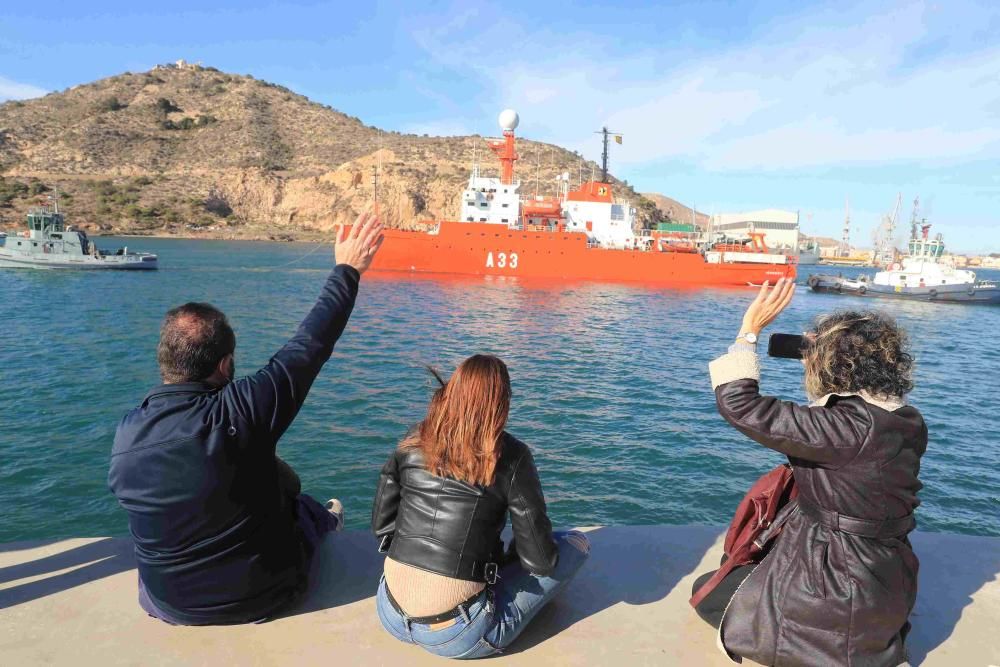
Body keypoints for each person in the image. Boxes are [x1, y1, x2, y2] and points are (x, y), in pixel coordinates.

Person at [108, 210, 384, 625]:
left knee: (261, 475)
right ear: (225, 364)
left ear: (165, 361)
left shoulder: (128, 432)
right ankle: (327, 520)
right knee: (300, 505)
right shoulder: (239, 412)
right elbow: (309, 345)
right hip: (263, 596)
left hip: (168, 606)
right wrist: (347, 269)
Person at [693, 278, 926, 666]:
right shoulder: (904, 419)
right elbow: (843, 432)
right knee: (722, 585)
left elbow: (740, 404)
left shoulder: (843, 429)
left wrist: (748, 331)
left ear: (835, 369)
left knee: (712, 598)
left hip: (834, 580)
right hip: (881, 573)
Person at [371, 355, 590, 659]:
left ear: (453, 389)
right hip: (456, 633)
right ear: (502, 402)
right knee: (576, 545)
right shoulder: (512, 456)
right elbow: (540, 562)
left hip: (390, 612)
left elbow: (382, 527)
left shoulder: (415, 437)